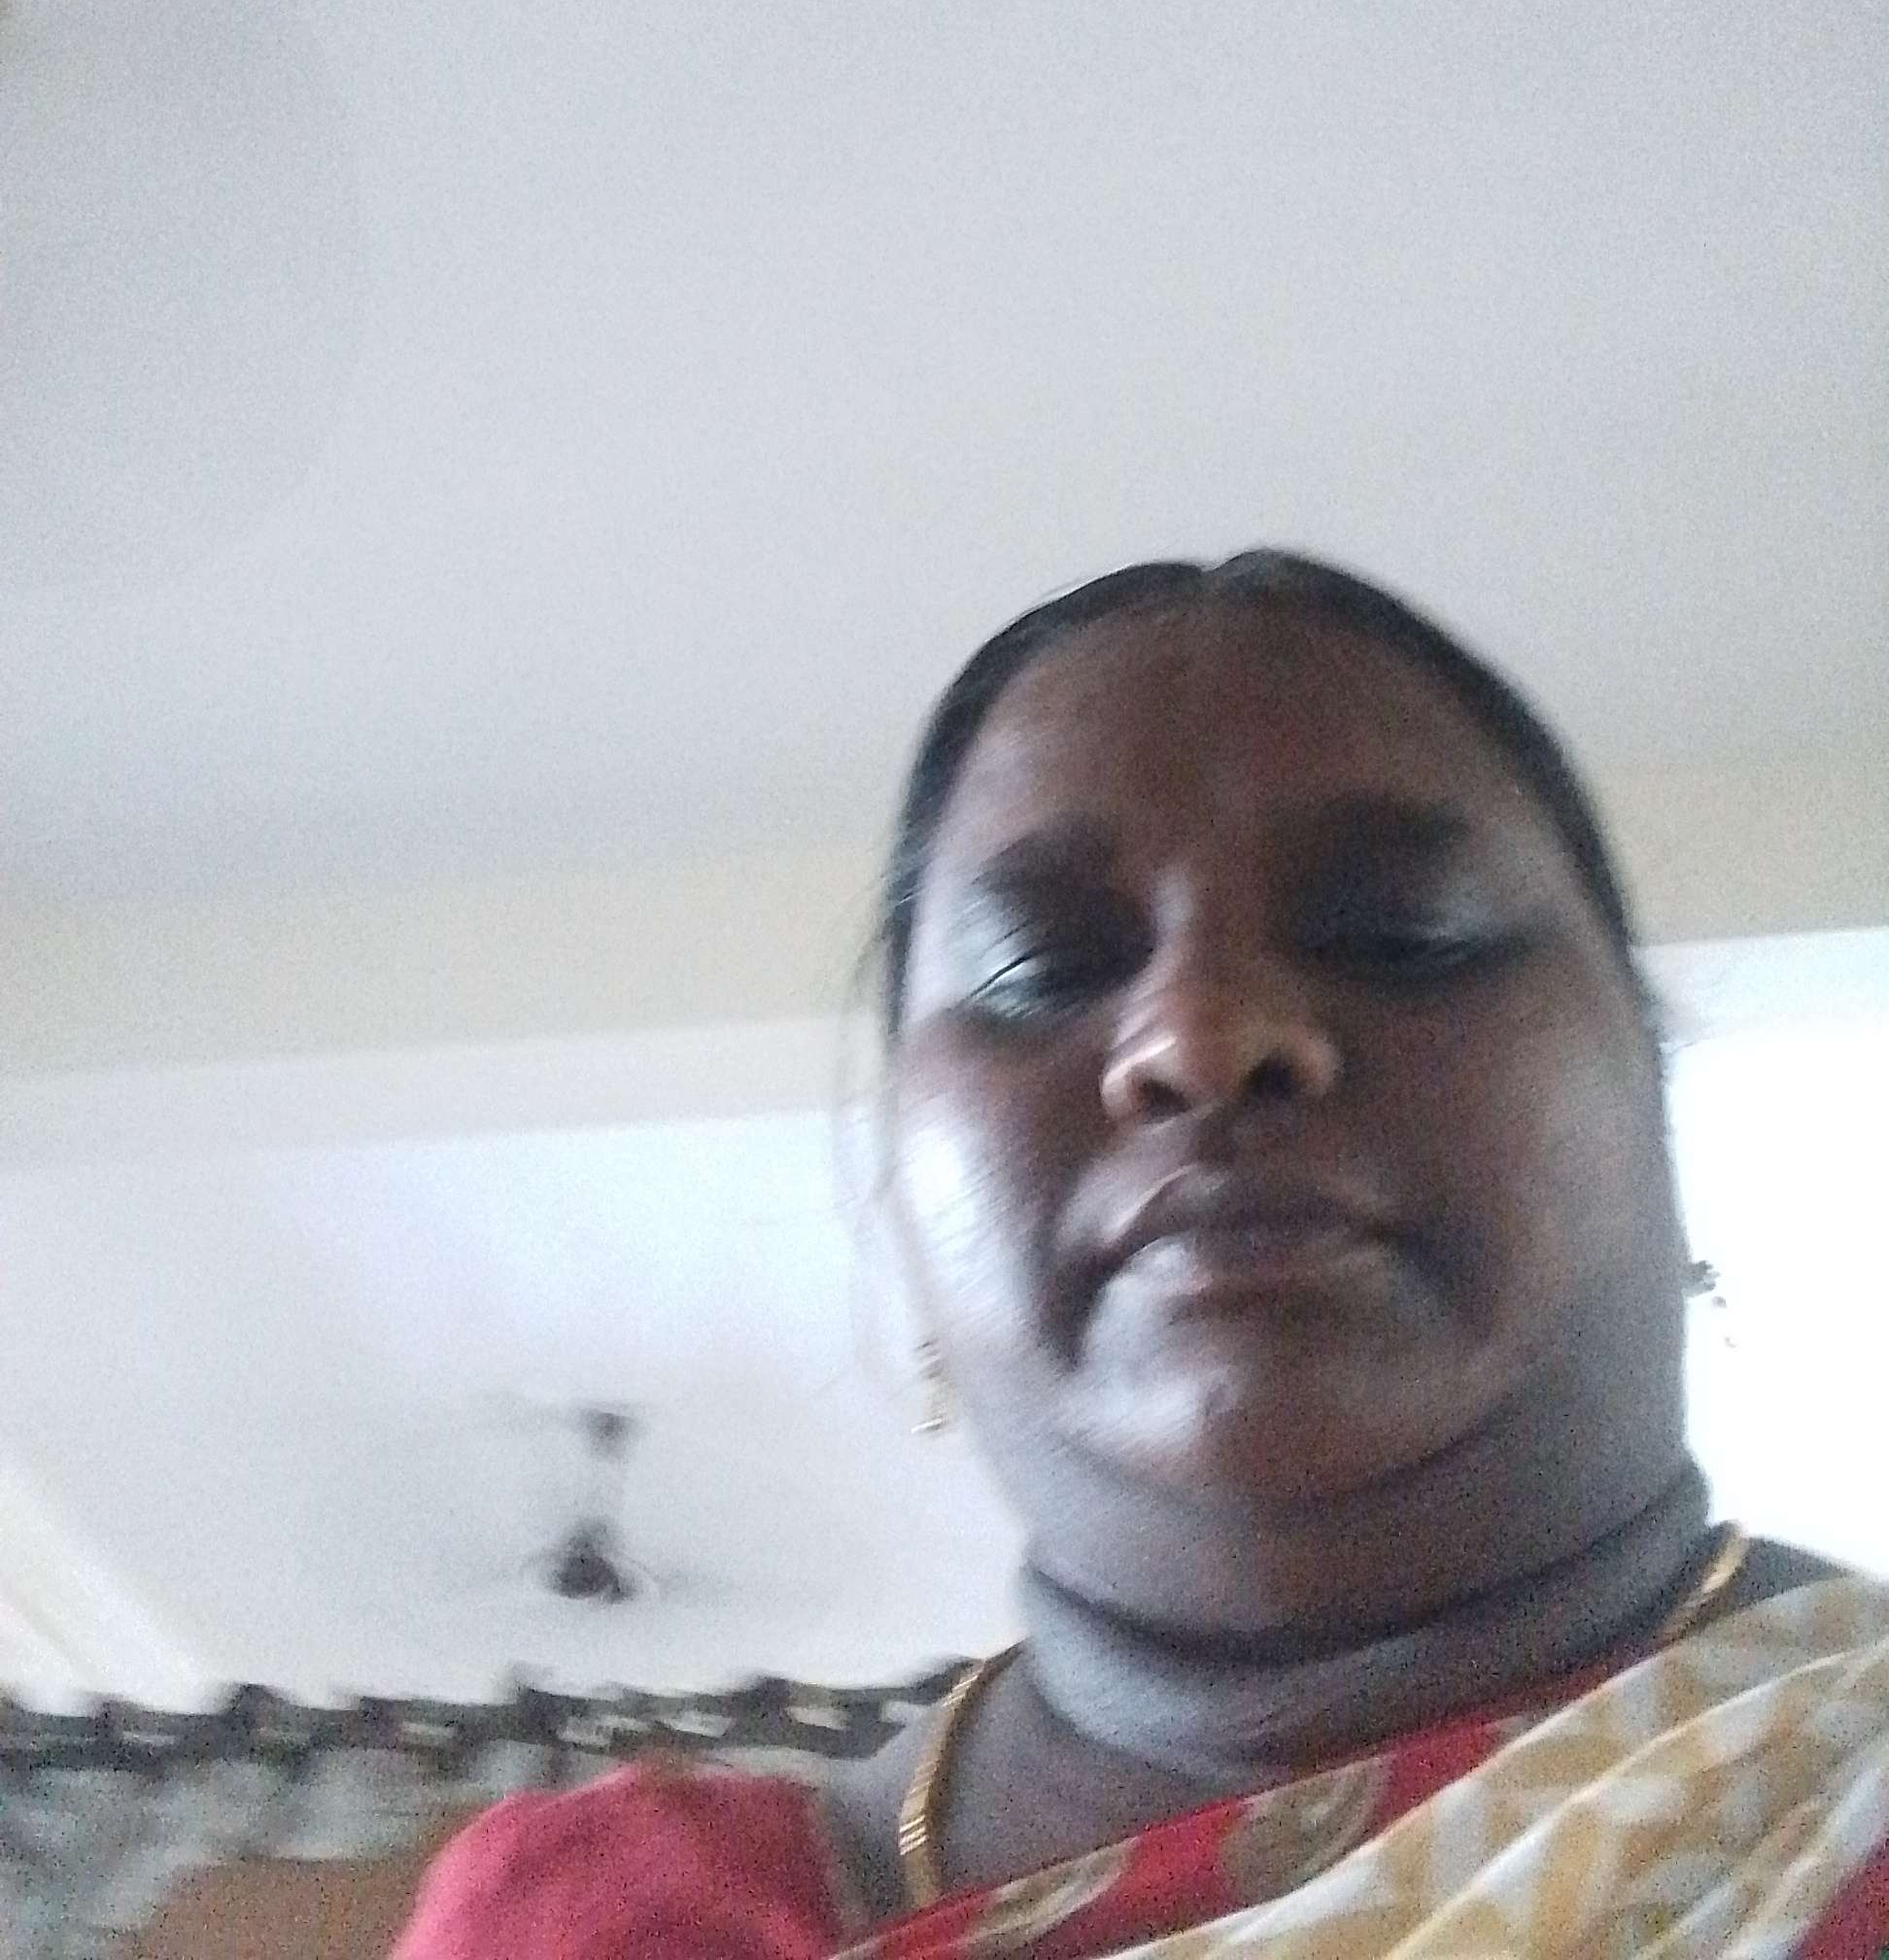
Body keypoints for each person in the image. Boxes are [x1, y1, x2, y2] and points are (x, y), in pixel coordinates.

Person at [395, 553, 1889, 1957]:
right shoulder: (601, 1921)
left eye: (1402, 932)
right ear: (899, 1193)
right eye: (1042, 969)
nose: (1204, 1035)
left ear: (1649, 1080)